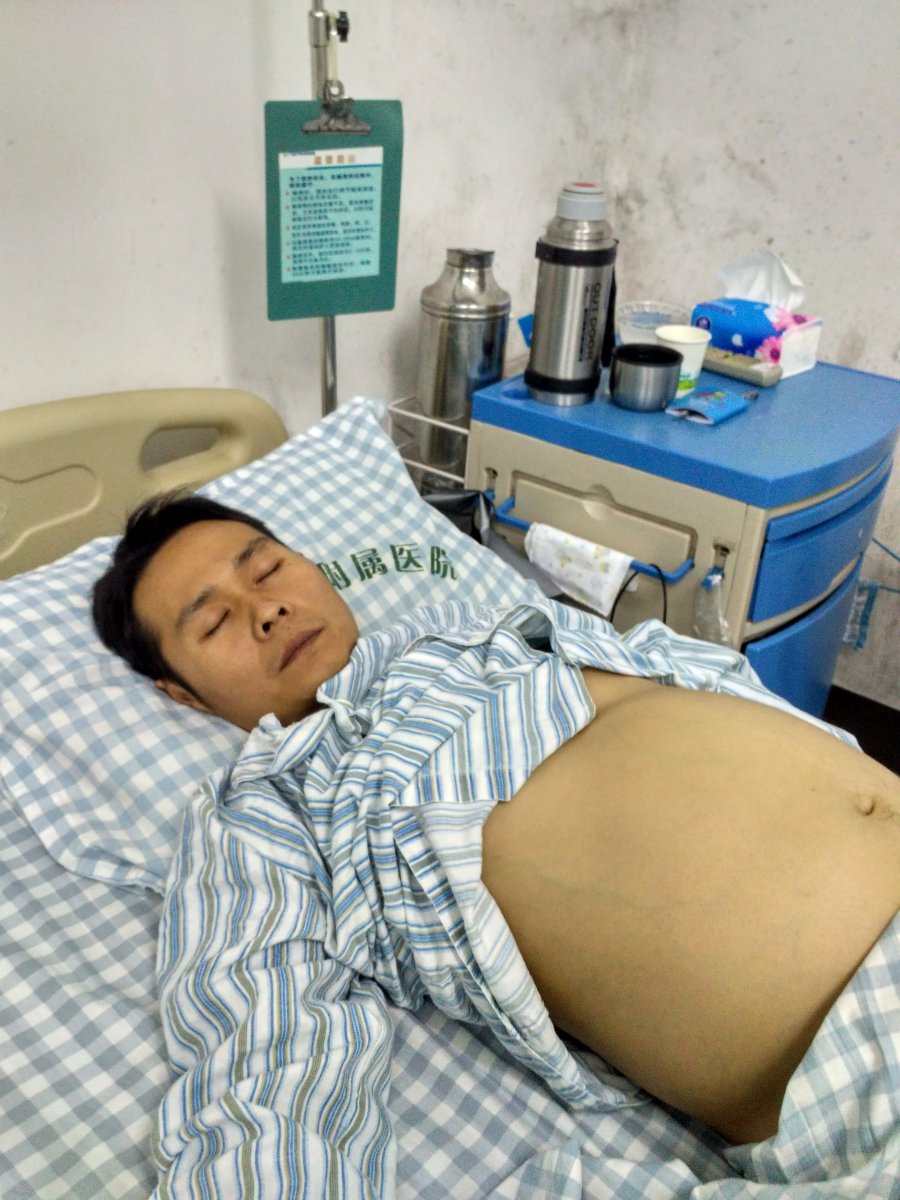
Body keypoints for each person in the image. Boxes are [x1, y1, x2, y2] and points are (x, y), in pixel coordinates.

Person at [93, 491, 900, 1156]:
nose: (265, 608)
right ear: (182, 695)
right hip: (861, 1043)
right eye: (213, 622)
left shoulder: (473, 629)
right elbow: (265, 1063)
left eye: (267, 569)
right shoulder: (268, 807)